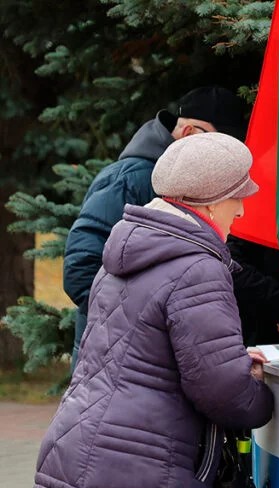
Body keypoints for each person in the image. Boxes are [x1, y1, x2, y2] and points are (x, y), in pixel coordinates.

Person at [33, 132, 274, 488]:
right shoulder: (198, 267)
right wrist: (262, 392)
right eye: (237, 197)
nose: (241, 211)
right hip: (139, 477)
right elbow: (223, 392)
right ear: (210, 203)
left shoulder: (123, 254)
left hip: (72, 452)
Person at [63, 86, 249, 369]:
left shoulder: (178, 182)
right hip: (115, 364)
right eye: (218, 142)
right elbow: (81, 269)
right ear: (188, 134)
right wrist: (147, 330)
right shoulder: (128, 179)